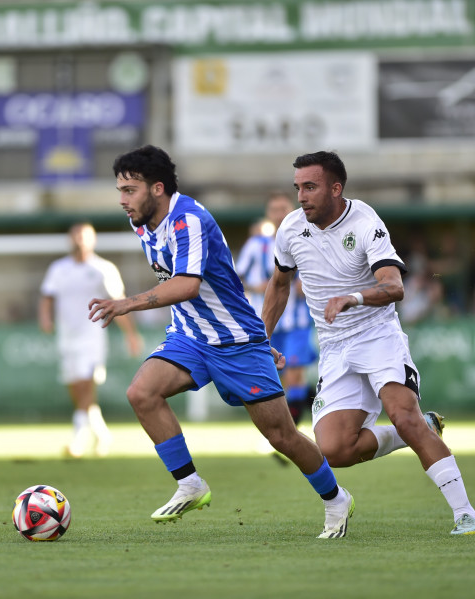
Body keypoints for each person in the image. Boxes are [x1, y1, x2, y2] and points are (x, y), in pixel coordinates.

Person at [89, 145, 353, 538]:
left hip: (236, 341)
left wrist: (126, 303)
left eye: (130, 190)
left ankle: (335, 499)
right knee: (142, 393)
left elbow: (187, 285)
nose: (123, 200)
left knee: (280, 435)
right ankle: (190, 484)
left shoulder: (190, 220)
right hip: (190, 336)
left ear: (157, 188)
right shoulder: (142, 221)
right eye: (120, 191)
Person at [261, 151, 475, 536]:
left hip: (377, 336)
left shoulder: (365, 222)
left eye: (310, 187)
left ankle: (465, 513)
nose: (301, 196)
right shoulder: (290, 229)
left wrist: (355, 297)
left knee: (403, 413)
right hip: (334, 347)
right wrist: (260, 339)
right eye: (298, 187)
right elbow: (279, 285)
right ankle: (412, 432)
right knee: (333, 450)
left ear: (336, 188)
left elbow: (394, 286)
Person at [39, 222, 143, 458]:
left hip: (92, 336)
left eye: (84, 236)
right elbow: (47, 297)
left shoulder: (103, 269)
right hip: (67, 336)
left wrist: (131, 334)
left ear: (93, 240)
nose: (79, 240)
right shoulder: (58, 268)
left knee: (87, 382)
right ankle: (102, 433)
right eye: (75, 235)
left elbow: (119, 301)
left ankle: (78, 438)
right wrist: (45, 319)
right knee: (76, 386)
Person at [236, 192, 317, 441]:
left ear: (292, 209)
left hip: (297, 322)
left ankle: (292, 432)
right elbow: (238, 277)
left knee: (293, 372)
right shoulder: (256, 244)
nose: (279, 213)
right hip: (268, 322)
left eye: (284, 208)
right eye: (274, 209)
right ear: (268, 214)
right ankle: (289, 427)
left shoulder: (307, 237)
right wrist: (254, 285)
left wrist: (308, 285)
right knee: (276, 377)